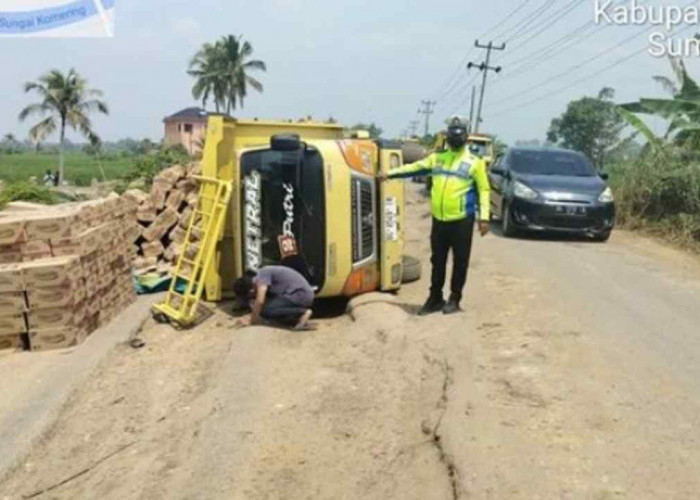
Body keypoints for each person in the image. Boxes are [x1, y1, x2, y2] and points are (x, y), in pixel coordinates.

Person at [380, 116, 491, 315]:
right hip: (439, 220)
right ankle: (435, 298)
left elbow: (484, 190)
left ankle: (455, 299)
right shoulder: (437, 158)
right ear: (447, 138)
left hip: (461, 220)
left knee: (460, 261)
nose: (455, 139)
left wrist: (484, 217)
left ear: (466, 138)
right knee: (437, 260)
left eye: (459, 136)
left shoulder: (475, 163)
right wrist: (389, 173)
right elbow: (413, 168)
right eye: (452, 136)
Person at [234, 266, 316, 330]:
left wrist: (251, 321)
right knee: (269, 310)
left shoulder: (262, 276)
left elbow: (260, 301)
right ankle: (297, 321)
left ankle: (303, 313)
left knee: (266, 311)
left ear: (250, 291)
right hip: (296, 294)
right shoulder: (262, 274)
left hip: (301, 294)